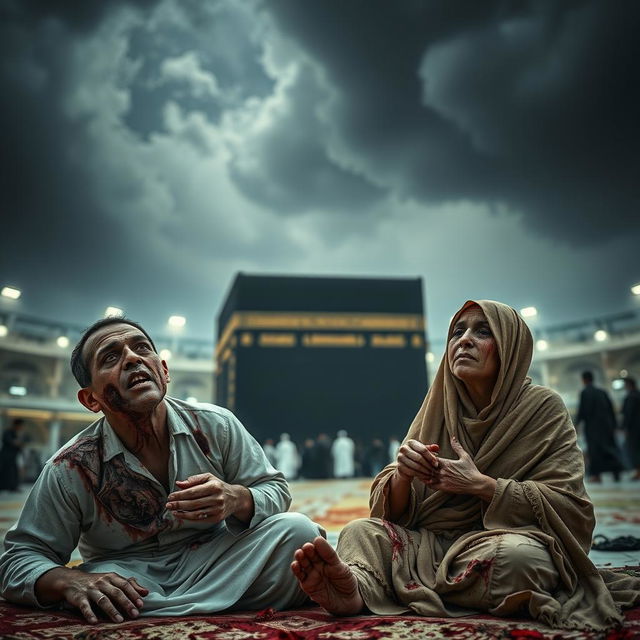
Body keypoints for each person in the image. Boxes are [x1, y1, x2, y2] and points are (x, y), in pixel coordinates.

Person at [291, 300, 640, 630]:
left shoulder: (542, 408)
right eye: (457, 332)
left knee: (520, 561)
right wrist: (402, 475)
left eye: (483, 332)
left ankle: (379, 588)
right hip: (432, 547)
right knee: (359, 532)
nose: (465, 340)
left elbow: (571, 508)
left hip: (497, 543)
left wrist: (482, 486)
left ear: (510, 347)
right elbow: (391, 515)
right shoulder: (438, 408)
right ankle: (357, 592)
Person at [0, 317, 322, 623]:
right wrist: (71, 582)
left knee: (299, 532)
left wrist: (235, 498)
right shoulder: (70, 467)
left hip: (217, 560)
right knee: (106, 590)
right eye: (110, 357)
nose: (131, 359)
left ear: (164, 371)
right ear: (91, 399)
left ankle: (159, 611)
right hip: (132, 580)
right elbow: (18, 560)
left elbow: (276, 490)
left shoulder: (216, 425)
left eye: (141, 348)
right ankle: (218, 602)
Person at [575, 370, 623, 482]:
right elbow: (611, 409)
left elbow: (582, 411)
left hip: (592, 428)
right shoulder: (602, 392)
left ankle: (597, 476)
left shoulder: (585, 392)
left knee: (594, 452)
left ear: (584, 380)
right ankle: (616, 472)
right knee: (610, 449)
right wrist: (614, 425)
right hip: (606, 427)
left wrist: (576, 425)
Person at [621, 376, 640, 480]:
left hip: (634, 429)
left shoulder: (631, 397)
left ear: (629, 385)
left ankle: (638, 471)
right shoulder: (638, 394)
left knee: (635, 450)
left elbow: (628, 414)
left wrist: (624, 427)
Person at [0, 418, 26, 491]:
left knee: (13, 472)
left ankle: (13, 487)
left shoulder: (17, 433)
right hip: (6, 456)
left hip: (13, 457)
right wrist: (17, 442)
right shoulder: (8, 432)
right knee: (6, 471)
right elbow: (11, 442)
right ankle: (4, 486)